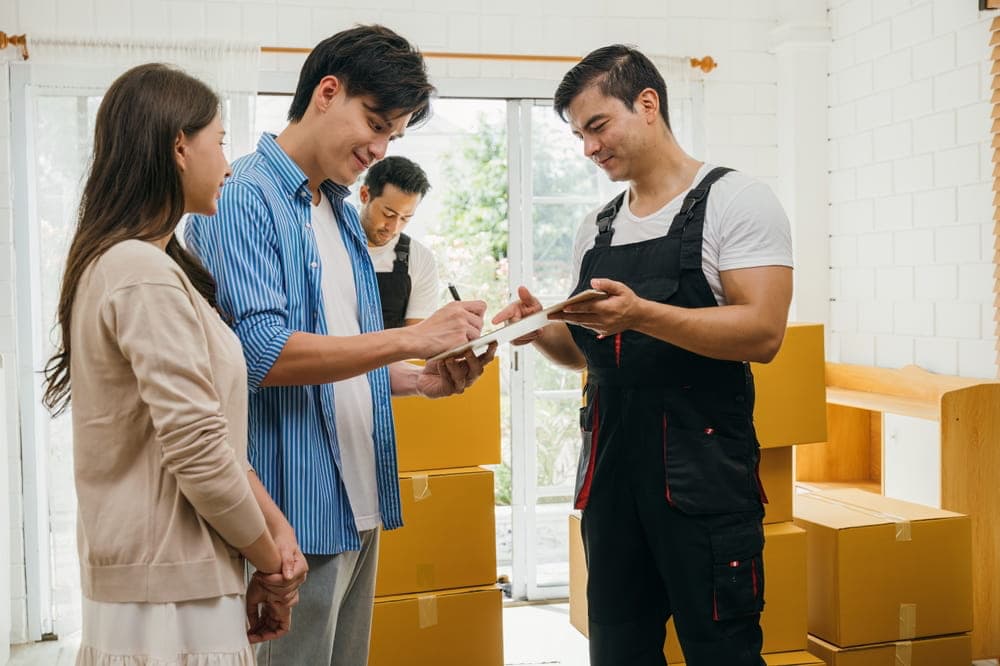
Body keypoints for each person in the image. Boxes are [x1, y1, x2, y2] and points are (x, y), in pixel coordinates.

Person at [184, 25, 495, 666]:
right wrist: (410, 337)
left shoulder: (336, 210)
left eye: (393, 137)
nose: (379, 151)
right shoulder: (245, 196)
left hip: (357, 498)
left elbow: (341, 358)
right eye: (375, 124)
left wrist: (421, 377)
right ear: (327, 92)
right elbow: (261, 355)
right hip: (291, 512)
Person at [494, 45, 793, 666]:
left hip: (704, 481)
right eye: (579, 135)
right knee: (618, 650)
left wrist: (640, 314)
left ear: (648, 105)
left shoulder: (737, 201)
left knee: (722, 652)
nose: (589, 149)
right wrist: (537, 328)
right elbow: (586, 354)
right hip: (611, 481)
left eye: (597, 126)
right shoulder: (598, 227)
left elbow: (763, 333)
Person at [40, 63, 306, 666]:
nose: (229, 165)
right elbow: (198, 448)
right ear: (179, 147)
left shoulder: (142, 266)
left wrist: (274, 533)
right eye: (220, 143)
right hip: (167, 595)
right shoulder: (141, 271)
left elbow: (209, 440)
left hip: (169, 581)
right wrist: (269, 563)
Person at [359, 155, 439, 328]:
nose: (394, 227)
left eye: (405, 218)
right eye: (388, 214)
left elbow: (417, 338)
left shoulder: (419, 259)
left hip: (395, 355)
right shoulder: (330, 244)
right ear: (365, 195)